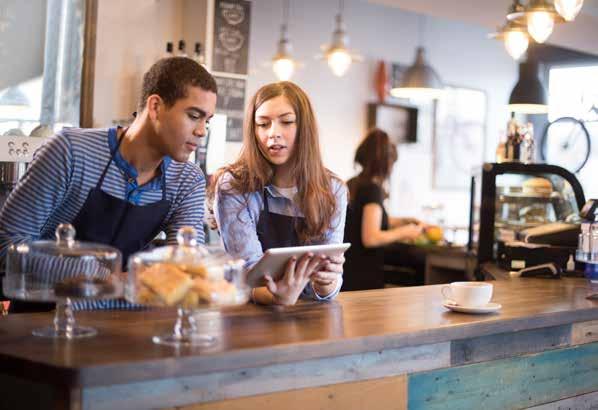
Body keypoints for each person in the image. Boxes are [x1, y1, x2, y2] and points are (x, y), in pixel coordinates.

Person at [0, 57, 217, 310]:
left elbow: (185, 265)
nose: (202, 131)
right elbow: (8, 243)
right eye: (194, 116)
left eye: (207, 121)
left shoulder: (187, 180)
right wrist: (108, 278)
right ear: (156, 107)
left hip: (126, 324)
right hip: (43, 318)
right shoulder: (71, 151)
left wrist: (125, 283)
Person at [209, 81, 347, 306]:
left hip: (308, 319)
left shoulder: (333, 190)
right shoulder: (234, 186)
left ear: (305, 128)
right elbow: (246, 279)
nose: (273, 134)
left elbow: (326, 289)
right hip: (247, 317)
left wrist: (326, 283)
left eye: (286, 122)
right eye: (263, 124)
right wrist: (277, 296)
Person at [342, 128, 424, 291]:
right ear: (386, 162)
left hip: (347, 272)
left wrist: (402, 221)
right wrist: (406, 232)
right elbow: (370, 237)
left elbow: (362, 220)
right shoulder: (372, 189)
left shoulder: (353, 184)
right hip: (363, 278)